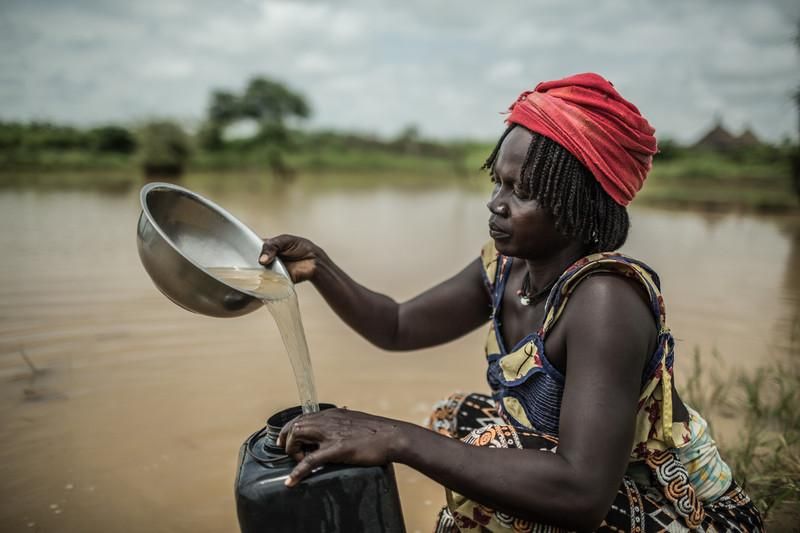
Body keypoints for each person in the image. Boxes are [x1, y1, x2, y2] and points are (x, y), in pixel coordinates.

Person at [258, 73, 764, 532]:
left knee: (487, 455)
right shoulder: (507, 269)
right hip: (595, 485)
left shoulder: (605, 300)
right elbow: (396, 326)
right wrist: (320, 268)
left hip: (680, 509)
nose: (496, 203)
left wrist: (395, 437)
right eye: (497, 181)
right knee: (456, 415)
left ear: (576, 205)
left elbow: (583, 492)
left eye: (521, 192)